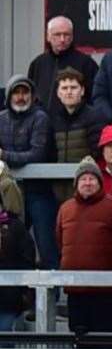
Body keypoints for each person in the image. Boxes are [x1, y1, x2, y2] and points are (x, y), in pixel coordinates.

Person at [57, 157, 112, 334]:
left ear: (99, 182)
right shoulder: (65, 208)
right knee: (78, 339)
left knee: (106, 338)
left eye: (92, 178)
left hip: (105, 291)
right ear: (76, 183)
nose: (88, 183)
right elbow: (59, 240)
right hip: (75, 290)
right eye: (83, 179)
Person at [0, 75, 56, 268]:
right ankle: (19, 296)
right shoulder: (1, 119)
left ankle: (53, 295)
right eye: (16, 92)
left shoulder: (41, 118)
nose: (21, 97)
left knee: (46, 245)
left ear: (32, 96)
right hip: (8, 193)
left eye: (25, 92)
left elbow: (37, 154)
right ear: (9, 96)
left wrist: (3, 155)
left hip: (39, 192)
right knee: (13, 247)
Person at [47, 68, 106, 204]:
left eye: (73, 87)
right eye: (64, 88)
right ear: (58, 93)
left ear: (82, 90)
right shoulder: (54, 119)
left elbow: (97, 152)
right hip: (58, 188)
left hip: (86, 186)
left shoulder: (94, 116)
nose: (69, 92)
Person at [27, 16, 99, 111]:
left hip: (75, 123)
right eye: (57, 34)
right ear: (48, 36)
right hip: (43, 123)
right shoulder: (38, 64)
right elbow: (30, 96)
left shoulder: (86, 64)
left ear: (72, 37)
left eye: (66, 34)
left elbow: (95, 98)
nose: (62, 39)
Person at [0, 205, 35, 331]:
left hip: (8, 299)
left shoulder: (15, 226)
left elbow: (27, 260)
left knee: (5, 337)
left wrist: (24, 292)